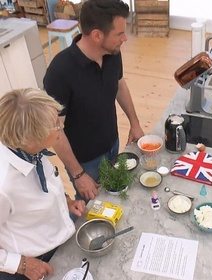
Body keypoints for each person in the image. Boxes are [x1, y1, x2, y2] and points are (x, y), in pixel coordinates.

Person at [43, 0, 145, 202]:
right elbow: (54, 130)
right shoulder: (60, 72)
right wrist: (78, 174)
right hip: (85, 161)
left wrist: (134, 123)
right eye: (119, 34)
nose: (125, 38)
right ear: (97, 35)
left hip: (112, 144)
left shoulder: (112, 53)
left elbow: (119, 84)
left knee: (116, 201)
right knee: (92, 209)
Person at [0, 88, 86, 280]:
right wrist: (22, 265)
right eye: (55, 125)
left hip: (56, 244)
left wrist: (65, 202)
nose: (61, 128)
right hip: (26, 265)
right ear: (30, 138)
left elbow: (40, 190)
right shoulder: (3, 185)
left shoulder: (28, 149)